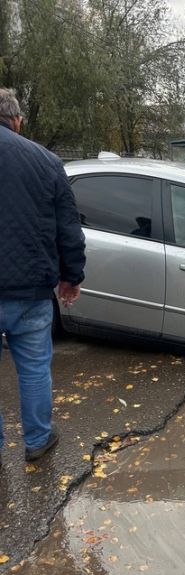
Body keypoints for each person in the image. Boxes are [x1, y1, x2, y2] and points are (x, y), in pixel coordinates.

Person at [0, 88, 86, 466]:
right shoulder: (47, 162)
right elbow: (69, 229)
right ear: (17, 120)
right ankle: (37, 440)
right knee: (35, 369)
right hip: (31, 290)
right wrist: (72, 277)